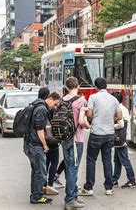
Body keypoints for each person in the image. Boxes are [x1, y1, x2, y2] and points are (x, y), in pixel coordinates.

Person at [79, 78, 122, 196]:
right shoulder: (113, 99)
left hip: (96, 133)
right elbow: (119, 116)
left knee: (91, 160)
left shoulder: (93, 97)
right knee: (107, 160)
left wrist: (94, 117)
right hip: (109, 134)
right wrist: (109, 119)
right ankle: (109, 187)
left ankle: (89, 188)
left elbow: (89, 114)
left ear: (96, 87)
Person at [24, 88, 61, 204]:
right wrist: (45, 145)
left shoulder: (35, 105)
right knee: (40, 172)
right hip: (36, 145)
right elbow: (39, 129)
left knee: (36, 171)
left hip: (30, 143)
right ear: (50, 99)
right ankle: (37, 196)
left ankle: (35, 195)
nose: (54, 107)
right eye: (55, 103)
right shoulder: (42, 109)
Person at [61, 77, 87, 209]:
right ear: (78, 86)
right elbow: (81, 121)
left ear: (66, 87)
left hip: (64, 138)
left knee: (69, 167)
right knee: (73, 169)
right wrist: (87, 124)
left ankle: (73, 195)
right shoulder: (80, 101)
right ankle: (70, 199)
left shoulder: (62, 100)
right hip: (76, 139)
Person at [111, 92, 136, 188]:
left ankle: (131, 179)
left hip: (121, 139)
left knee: (124, 160)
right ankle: (114, 179)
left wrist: (112, 126)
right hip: (122, 138)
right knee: (117, 160)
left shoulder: (119, 109)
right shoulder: (123, 108)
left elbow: (120, 124)